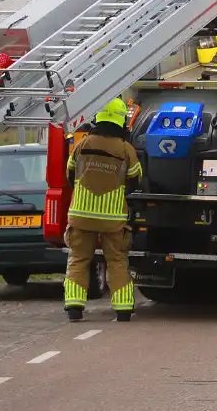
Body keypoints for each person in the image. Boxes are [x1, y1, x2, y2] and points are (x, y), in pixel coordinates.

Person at [62, 98, 142, 323]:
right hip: (113, 219)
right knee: (117, 260)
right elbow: (135, 179)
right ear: (121, 119)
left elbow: (70, 175)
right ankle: (123, 310)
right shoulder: (126, 149)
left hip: (81, 215)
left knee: (78, 258)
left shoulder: (82, 145)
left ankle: (75, 308)